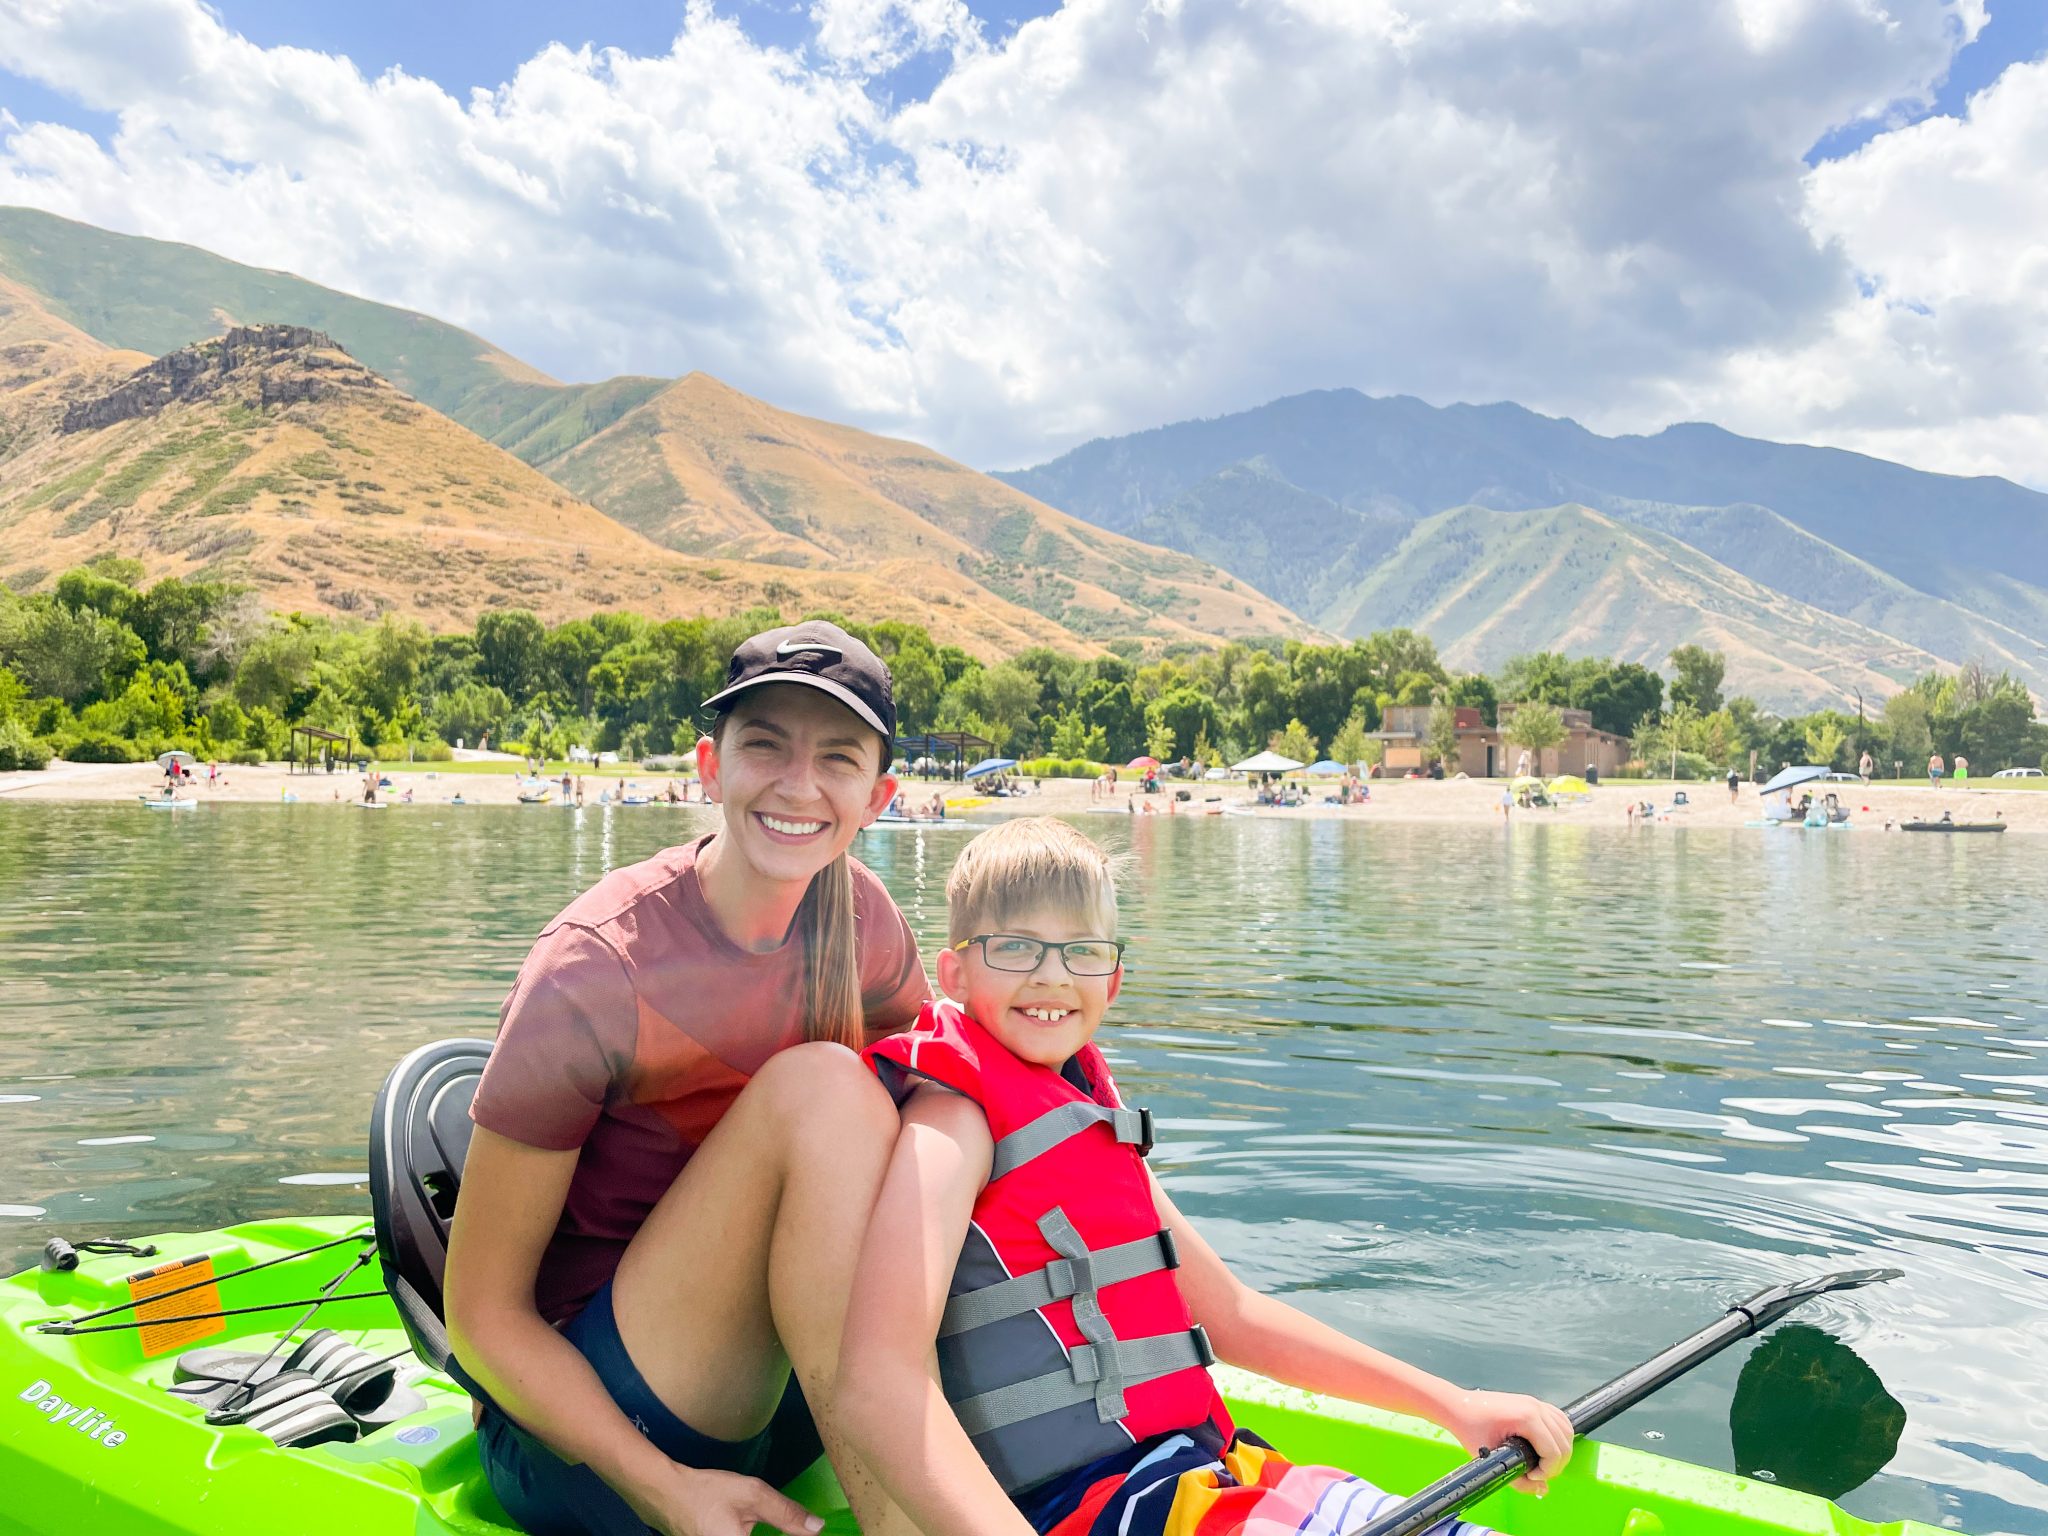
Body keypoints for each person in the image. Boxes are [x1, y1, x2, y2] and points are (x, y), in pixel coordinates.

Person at [839, 819, 1571, 1536]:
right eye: (1016, 948)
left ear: (1115, 978)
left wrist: (1455, 1405)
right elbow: (878, 1380)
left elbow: (1233, 1315)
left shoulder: (1088, 1118)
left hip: (1211, 1475)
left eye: (1081, 951)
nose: (1051, 975)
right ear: (955, 973)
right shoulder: (955, 1124)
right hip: (1102, 1506)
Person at [443, 621, 932, 1536]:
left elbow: (943, 1128)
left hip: (783, 1396)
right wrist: (665, 1489)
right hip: (587, 1439)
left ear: (880, 795)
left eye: (838, 758)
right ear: (710, 767)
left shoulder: (865, 923)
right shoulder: (595, 969)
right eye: (764, 746)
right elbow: (478, 1317)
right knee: (825, 1090)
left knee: (942, 1117)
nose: (799, 785)